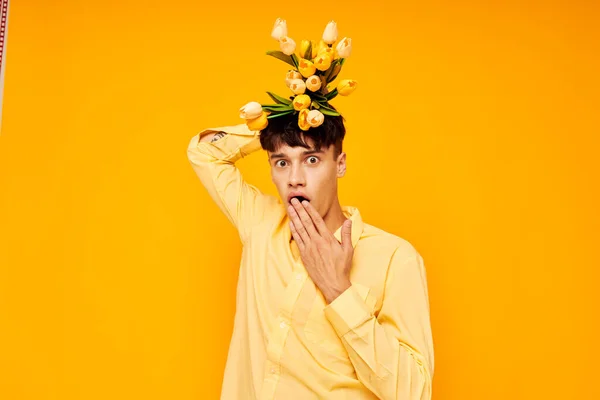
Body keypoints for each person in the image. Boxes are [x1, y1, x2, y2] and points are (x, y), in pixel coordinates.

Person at [187, 18, 434, 400]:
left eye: (312, 160)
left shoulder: (394, 259)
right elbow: (203, 152)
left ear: (340, 164)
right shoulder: (260, 225)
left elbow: (414, 392)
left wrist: (339, 290)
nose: (295, 179)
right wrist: (281, 121)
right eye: (281, 162)